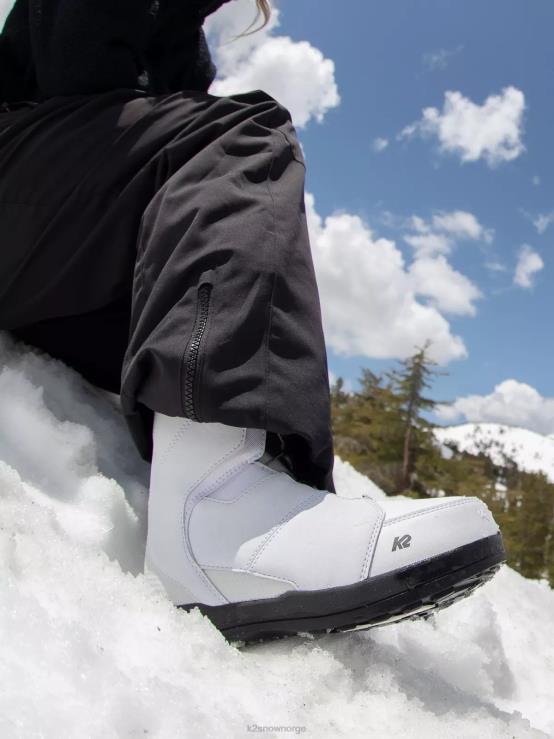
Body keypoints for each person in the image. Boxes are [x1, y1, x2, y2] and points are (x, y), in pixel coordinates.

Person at [0, 0, 506, 642]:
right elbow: (79, 77)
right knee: (242, 136)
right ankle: (218, 518)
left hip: (47, 258)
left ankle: (266, 493)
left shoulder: (185, 46)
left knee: (206, 260)